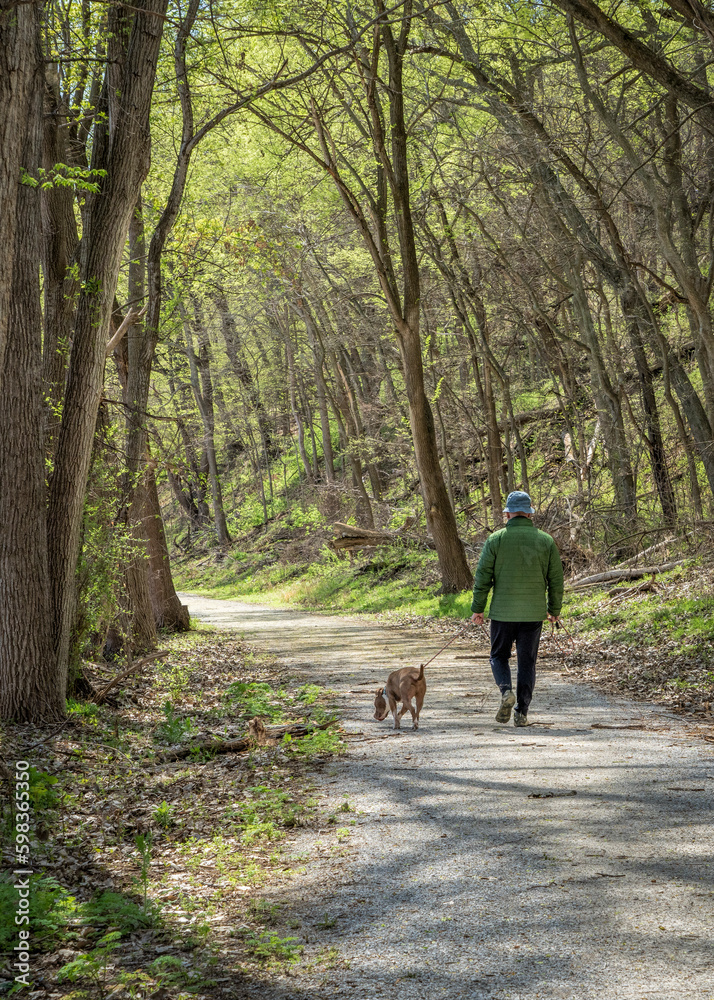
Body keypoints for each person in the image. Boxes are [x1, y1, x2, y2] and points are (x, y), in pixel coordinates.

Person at [470, 491, 563, 727]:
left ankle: (505, 692)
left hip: (502, 614)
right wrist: (554, 609)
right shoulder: (546, 540)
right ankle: (522, 712)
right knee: (527, 662)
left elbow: (483, 577)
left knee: (498, 656)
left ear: (508, 513)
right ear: (530, 513)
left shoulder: (496, 539)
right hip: (533, 614)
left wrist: (478, 608)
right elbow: (556, 579)